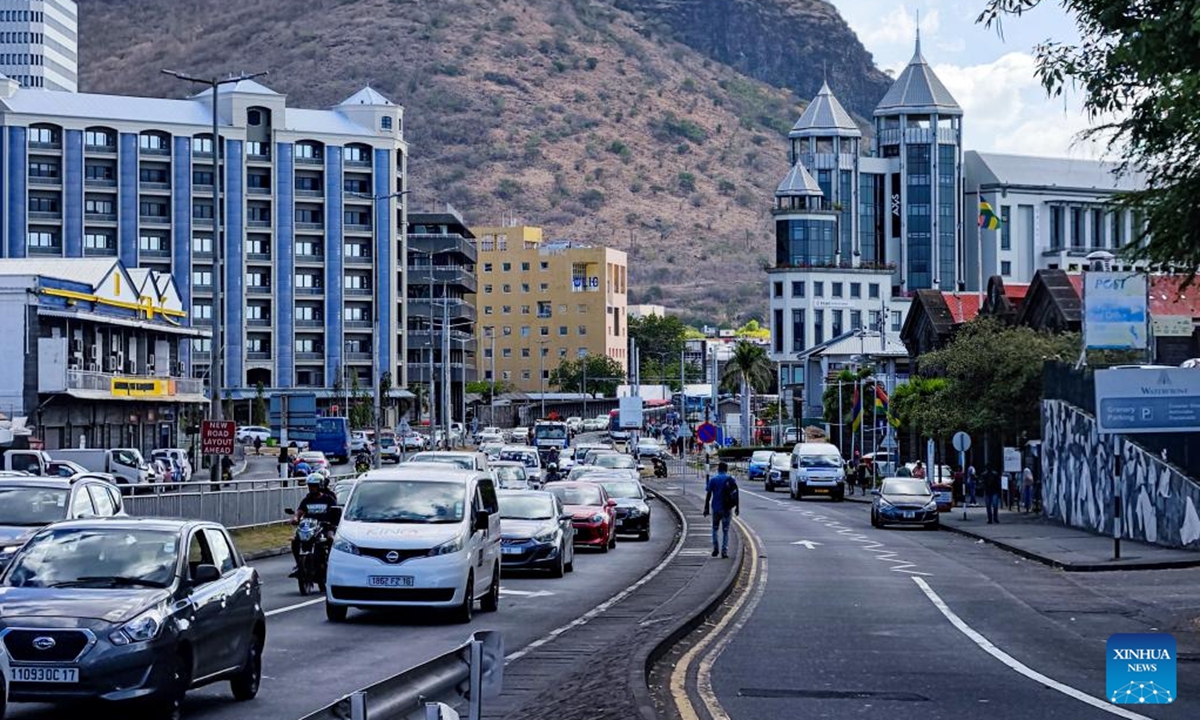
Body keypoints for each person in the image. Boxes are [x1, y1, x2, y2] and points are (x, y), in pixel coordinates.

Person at [289, 475, 339, 577]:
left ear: (320, 485)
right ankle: (299, 564)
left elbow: (336, 513)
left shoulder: (329, 499)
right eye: (310, 486)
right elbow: (300, 511)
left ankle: (330, 564)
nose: (312, 488)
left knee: (330, 539)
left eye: (314, 486)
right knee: (295, 540)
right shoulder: (307, 500)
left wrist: (332, 524)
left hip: (325, 527)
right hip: (310, 527)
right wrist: (295, 518)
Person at [703, 462, 739, 558]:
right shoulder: (731, 479)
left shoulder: (713, 479)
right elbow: (736, 494)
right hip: (727, 508)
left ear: (718, 469)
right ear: (726, 469)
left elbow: (708, 494)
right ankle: (724, 551)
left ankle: (715, 548)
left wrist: (706, 507)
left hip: (716, 508)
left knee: (715, 528)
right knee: (725, 530)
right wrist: (737, 508)